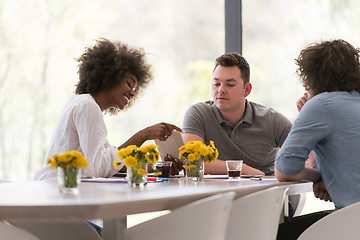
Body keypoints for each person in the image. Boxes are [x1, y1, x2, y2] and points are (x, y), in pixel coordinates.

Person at [34, 38, 182, 180]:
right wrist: (143, 135)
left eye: (135, 89)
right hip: (59, 189)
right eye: (129, 84)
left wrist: (159, 168)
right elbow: (98, 167)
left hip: (61, 188)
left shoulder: (86, 105)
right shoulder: (87, 105)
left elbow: (111, 164)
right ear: (110, 76)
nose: (132, 93)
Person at [275, 39, 360, 239]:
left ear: (313, 77)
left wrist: (318, 177)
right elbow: (336, 153)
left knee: (275, 233)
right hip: (353, 216)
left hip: (352, 219)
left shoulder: (321, 105)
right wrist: (324, 174)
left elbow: (284, 170)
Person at [182, 52, 293, 175]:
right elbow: (193, 162)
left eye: (230, 85)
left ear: (247, 90)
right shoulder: (198, 114)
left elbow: (306, 158)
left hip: (264, 193)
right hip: (216, 193)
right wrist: (242, 169)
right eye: (216, 84)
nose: (221, 90)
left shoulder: (273, 120)